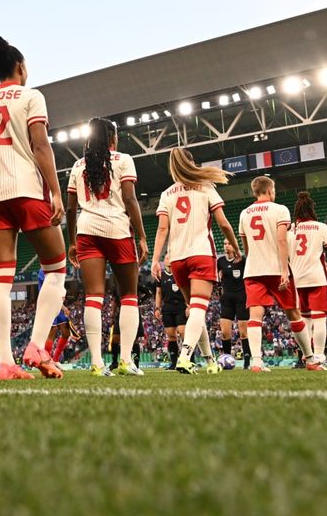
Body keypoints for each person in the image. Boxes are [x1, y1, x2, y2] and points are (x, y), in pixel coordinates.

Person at [0, 36, 68, 380]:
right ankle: (37, 345)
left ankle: (7, 364)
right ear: (21, 68)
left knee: (1, 279)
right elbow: (40, 145)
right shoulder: (31, 96)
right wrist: (55, 192)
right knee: (56, 270)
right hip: (26, 190)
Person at [65, 117, 148, 377]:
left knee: (93, 297)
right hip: (117, 230)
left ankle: (97, 364)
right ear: (113, 138)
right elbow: (130, 199)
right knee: (129, 296)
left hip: (87, 230)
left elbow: (70, 208)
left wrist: (71, 241)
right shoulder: (123, 159)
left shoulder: (78, 166)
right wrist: (143, 236)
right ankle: (125, 361)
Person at [151, 148, 240, 375]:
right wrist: (235, 245)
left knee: (194, 310)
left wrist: (156, 260)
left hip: (177, 259)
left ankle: (210, 361)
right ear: (192, 163)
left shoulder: (167, 194)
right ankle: (184, 356)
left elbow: (162, 228)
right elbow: (223, 224)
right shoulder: (205, 187)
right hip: (200, 253)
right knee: (199, 309)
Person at [238, 176, 324, 372]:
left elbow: (246, 246)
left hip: (253, 270)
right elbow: (282, 241)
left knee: (255, 314)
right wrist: (284, 269)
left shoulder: (244, 213)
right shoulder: (280, 209)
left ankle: (257, 362)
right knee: (293, 313)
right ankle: (310, 359)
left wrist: (254, 260)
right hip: (275, 269)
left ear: (254, 191)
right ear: (270, 190)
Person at [287, 192, 327, 366]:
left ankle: (307, 356)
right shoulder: (320, 227)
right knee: (319, 319)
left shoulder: (290, 229)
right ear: (311, 209)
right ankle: (319, 356)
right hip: (317, 278)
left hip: (296, 279)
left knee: (304, 320)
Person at [216, 242, 250, 368]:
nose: (226, 245)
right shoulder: (220, 261)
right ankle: (227, 359)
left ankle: (247, 362)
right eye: (224, 243)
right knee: (225, 333)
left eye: (229, 243)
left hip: (242, 298)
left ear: (234, 245)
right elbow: (216, 276)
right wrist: (219, 287)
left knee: (243, 333)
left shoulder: (243, 260)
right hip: (227, 299)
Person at [37, 270, 79, 364]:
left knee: (66, 331)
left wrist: (62, 304)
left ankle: (56, 360)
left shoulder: (57, 269)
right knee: (53, 330)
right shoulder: (44, 270)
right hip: (48, 303)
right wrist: (63, 307)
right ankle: (46, 362)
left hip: (56, 303)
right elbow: (49, 290)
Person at [153, 266, 187, 370]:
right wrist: (157, 308)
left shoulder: (180, 272)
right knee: (171, 336)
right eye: (166, 257)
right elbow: (158, 293)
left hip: (181, 307)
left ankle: (190, 360)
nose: (168, 258)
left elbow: (187, 288)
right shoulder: (161, 275)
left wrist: (188, 305)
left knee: (183, 333)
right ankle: (174, 363)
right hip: (167, 308)